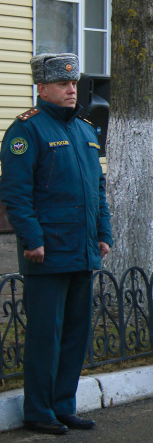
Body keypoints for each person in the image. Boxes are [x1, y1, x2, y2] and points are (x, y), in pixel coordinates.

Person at [0, 54, 112, 435]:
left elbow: (97, 188)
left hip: (81, 249)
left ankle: (64, 405)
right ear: (41, 88)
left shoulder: (84, 129)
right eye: (63, 84)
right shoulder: (26, 130)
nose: (71, 90)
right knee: (46, 336)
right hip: (46, 251)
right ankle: (38, 410)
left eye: (74, 84)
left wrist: (103, 233)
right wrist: (32, 239)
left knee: (75, 333)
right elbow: (16, 193)